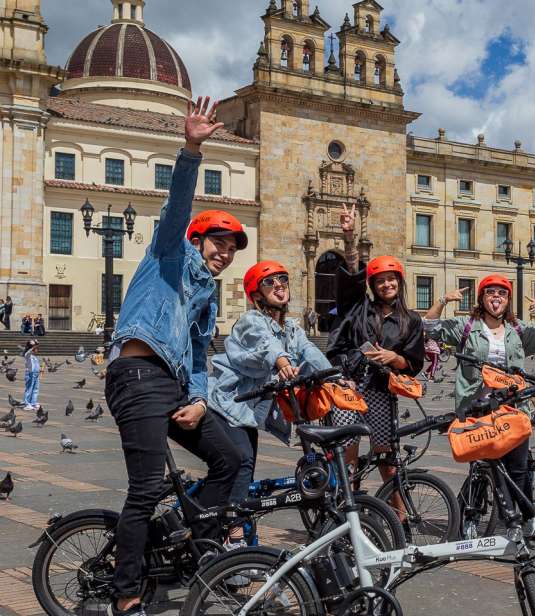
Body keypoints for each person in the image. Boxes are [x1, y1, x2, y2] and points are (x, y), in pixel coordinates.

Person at [104, 97, 244, 616]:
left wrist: (201, 401)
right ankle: (127, 596)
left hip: (173, 387)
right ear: (197, 239)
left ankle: (182, 545)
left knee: (230, 458)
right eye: (217, 241)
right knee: (144, 487)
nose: (224, 252)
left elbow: (203, 359)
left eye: (232, 247)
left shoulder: (206, 296)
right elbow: (178, 206)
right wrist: (191, 149)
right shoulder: (168, 254)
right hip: (135, 374)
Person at [425, 275, 535, 540]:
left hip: (513, 408)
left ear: (508, 300)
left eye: (502, 293)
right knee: (479, 467)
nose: (496, 297)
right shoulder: (466, 327)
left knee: (518, 468)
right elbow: (430, 327)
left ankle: (525, 518)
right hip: (478, 409)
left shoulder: (517, 330)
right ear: (482, 299)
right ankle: (471, 517)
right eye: (490, 293)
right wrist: (443, 300)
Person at [208, 260, 333, 545]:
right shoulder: (250, 321)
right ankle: (234, 537)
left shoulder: (291, 328)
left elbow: (310, 350)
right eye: (270, 282)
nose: (279, 286)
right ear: (256, 295)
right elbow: (266, 344)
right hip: (226, 405)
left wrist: (336, 377)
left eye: (283, 280)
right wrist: (282, 362)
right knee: (242, 461)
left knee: (244, 468)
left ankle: (228, 520)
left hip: (249, 412)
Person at [326, 204, 424, 488]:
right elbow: (352, 276)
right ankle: (350, 513)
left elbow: (413, 364)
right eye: (379, 281)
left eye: (391, 279)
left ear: (400, 282)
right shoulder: (358, 308)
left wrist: (394, 357)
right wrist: (349, 236)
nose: (386, 284)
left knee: (386, 457)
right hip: (348, 387)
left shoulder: (411, 321)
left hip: (381, 390)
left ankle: (399, 519)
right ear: (372, 285)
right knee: (349, 452)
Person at [21, 339, 40, 410]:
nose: (37, 350)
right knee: (29, 388)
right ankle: (26, 403)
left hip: (35, 374)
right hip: (30, 374)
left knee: (35, 388)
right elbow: (30, 350)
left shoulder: (34, 356)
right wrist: (35, 344)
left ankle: (33, 402)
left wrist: (39, 370)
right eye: (36, 348)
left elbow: (35, 366)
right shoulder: (27, 354)